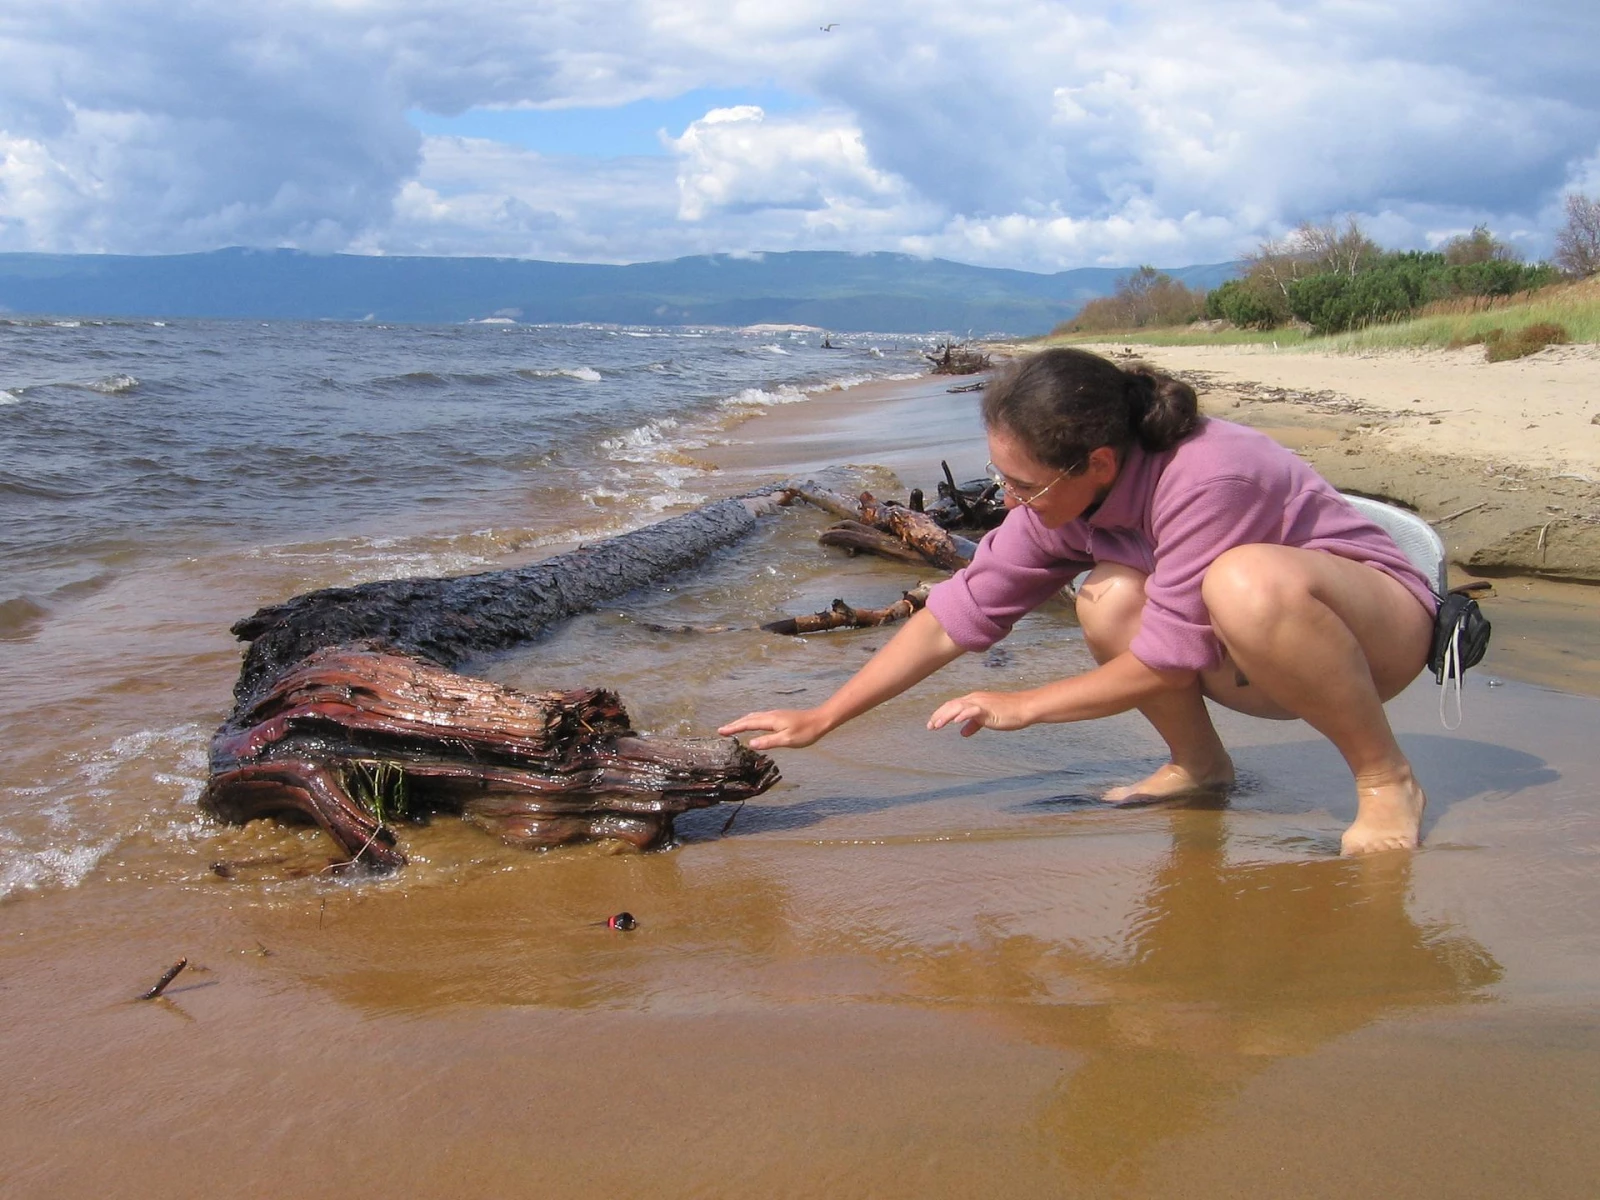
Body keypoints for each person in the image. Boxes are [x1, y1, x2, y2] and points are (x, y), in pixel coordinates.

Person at [719, 348, 1439, 855]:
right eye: (1000, 478)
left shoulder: (1210, 475)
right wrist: (823, 717)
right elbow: (953, 617)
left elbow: (1170, 659)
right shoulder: (1062, 502)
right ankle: (1198, 764)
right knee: (1108, 598)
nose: (1008, 501)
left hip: (1374, 636)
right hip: (1256, 655)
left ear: (1097, 462)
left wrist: (1024, 705)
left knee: (1242, 580)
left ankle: (1386, 780)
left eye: (1023, 484)